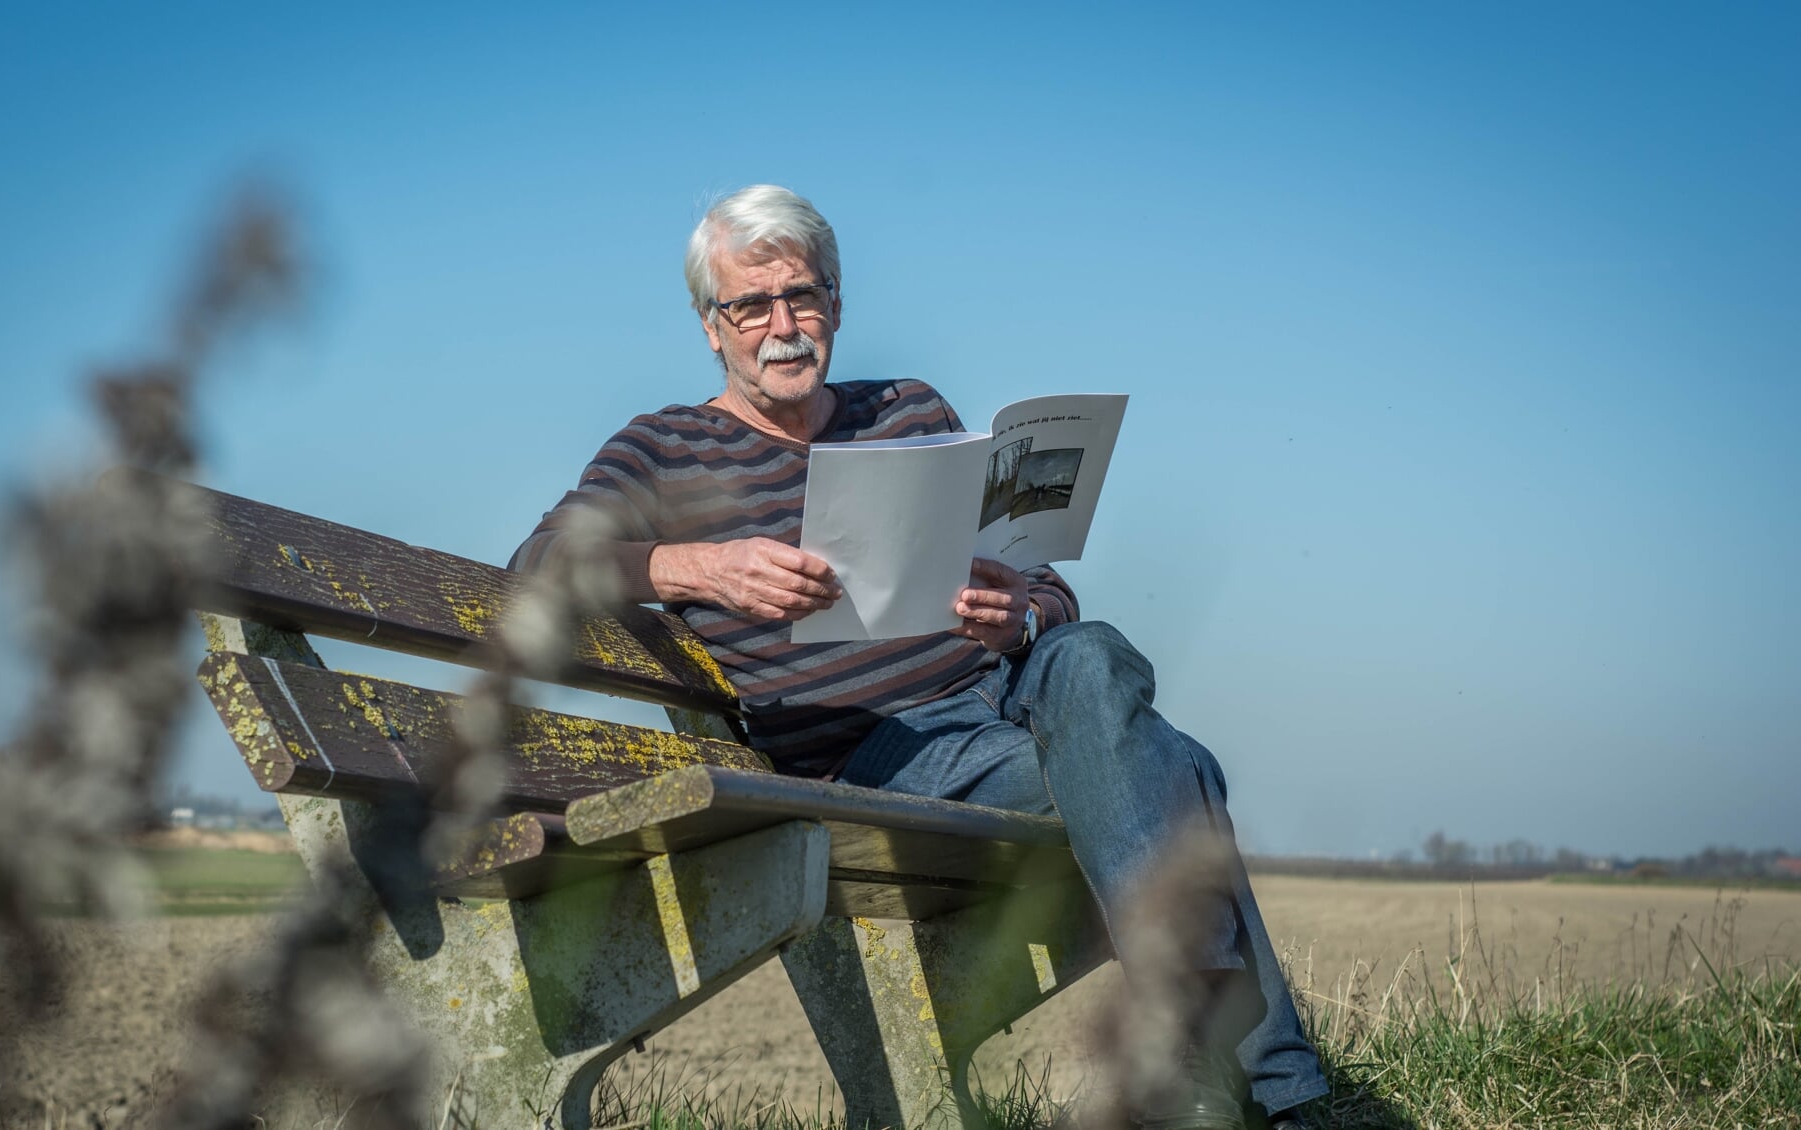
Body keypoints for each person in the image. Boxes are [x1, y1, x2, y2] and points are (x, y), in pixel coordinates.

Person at [510, 185, 1327, 1130]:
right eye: (752, 305)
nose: (784, 326)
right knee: (1180, 769)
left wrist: (1017, 613)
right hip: (881, 756)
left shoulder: (906, 410)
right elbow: (535, 567)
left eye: (805, 297)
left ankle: (1198, 1069)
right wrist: (699, 567)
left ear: (838, 305)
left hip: (1014, 692)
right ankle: (1277, 1097)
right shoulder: (662, 448)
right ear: (711, 327)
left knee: (1093, 650)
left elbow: (1050, 588)